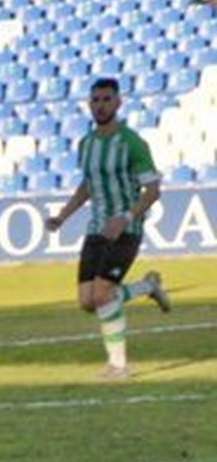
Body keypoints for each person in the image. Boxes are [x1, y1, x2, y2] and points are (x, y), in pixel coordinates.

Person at [43, 78, 171, 380]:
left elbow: (153, 191)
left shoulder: (132, 143)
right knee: (87, 302)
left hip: (126, 229)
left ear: (118, 103)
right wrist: (62, 216)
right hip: (96, 229)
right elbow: (89, 185)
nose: (100, 105)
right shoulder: (86, 144)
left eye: (106, 99)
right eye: (96, 100)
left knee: (102, 295)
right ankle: (148, 286)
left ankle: (118, 365)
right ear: (89, 105)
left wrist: (125, 217)